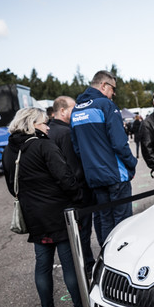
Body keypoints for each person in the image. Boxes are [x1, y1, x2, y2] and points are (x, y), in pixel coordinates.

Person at [2, 107, 84, 307]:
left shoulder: (9, 151)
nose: (48, 126)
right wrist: (78, 197)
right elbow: (65, 178)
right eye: (43, 122)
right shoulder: (44, 145)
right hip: (58, 214)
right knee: (69, 265)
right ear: (32, 124)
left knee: (43, 265)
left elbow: (12, 187)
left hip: (34, 217)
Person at [71, 70, 137, 245]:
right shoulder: (105, 105)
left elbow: (77, 148)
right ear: (103, 85)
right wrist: (132, 164)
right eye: (113, 89)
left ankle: (107, 257)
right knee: (123, 222)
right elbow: (119, 143)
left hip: (94, 177)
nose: (113, 93)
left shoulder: (76, 110)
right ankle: (122, 261)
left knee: (105, 220)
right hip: (115, 175)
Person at [48, 96, 95, 273]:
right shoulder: (66, 133)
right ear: (62, 111)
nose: (76, 112)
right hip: (76, 194)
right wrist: (81, 194)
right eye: (73, 108)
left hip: (59, 195)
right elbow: (73, 168)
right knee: (81, 235)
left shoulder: (49, 131)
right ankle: (87, 268)